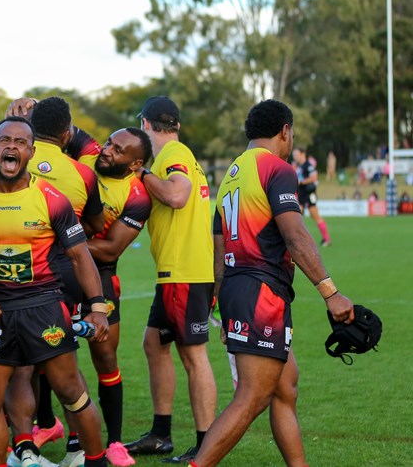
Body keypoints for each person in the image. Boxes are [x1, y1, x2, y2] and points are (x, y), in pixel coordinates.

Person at [193, 99, 355, 467]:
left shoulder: (232, 173)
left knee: (285, 388)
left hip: (239, 289)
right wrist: (330, 292)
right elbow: (296, 236)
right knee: (252, 397)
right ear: (285, 130)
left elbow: (218, 249)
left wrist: (222, 305)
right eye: (292, 132)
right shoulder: (277, 168)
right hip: (261, 292)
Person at [0, 116, 111, 467]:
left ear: (31, 151)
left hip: (44, 305)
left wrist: (98, 307)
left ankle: (96, 461)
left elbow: (80, 256)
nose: (12, 146)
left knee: (71, 392)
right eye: (5, 140)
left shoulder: (52, 198)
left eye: (20, 142)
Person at [125, 96, 217, 464]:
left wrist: (142, 174)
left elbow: (178, 195)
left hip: (185, 272)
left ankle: (208, 442)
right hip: (176, 273)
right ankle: (161, 434)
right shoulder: (179, 154)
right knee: (154, 343)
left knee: (194, 357)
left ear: (145, 125)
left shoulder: (170, 157)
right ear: (176, 124)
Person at [79, 127, 153, 466]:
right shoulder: (86, 156)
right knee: (48, 355)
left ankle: (116, 443)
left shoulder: (137, 195)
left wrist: (61, 242)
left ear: (135, 163)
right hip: (58, 273)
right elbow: (60, 127)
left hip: (101, 277)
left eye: (118, 149)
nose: (107, 150)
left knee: (105, 358)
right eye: (109, 142)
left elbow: (109, 250)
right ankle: (48, 428)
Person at [292, 147, 331, 247]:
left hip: (309, 194)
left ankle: (326, 239)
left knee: (315, 216)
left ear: (303, 154)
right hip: (299, 194)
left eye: (296, 155)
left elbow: (314, 177)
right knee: (296, 216)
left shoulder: (308, 166)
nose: (295, 157)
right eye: (294, 155)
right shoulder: (296, 166)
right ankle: (297, 240)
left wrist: (302, 182)